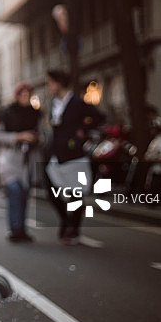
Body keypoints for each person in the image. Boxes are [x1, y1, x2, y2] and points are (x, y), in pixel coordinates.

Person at [44, 69, 104, 245]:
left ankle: (74, 228)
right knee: (51, 190)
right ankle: (66, 220)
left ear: (58, 83)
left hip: (73, 155)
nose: (48, 87)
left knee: (75, 193)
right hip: (56, 155)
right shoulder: (54, 103)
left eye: (50, 83)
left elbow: (99, 117)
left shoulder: (77, 102)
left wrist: (82, 132)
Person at [0, 82, 41, 243]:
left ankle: (22, 229)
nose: (26, 98)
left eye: (29, 94)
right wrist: (19, 137)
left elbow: (42, 135)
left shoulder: (36, 114)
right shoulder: (7, 113)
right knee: (15, 191)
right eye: (24, 94)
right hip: (10, 160)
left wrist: (35, 138)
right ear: (18, 95)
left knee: (25, 195)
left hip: (28, 160)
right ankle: (14, 228)